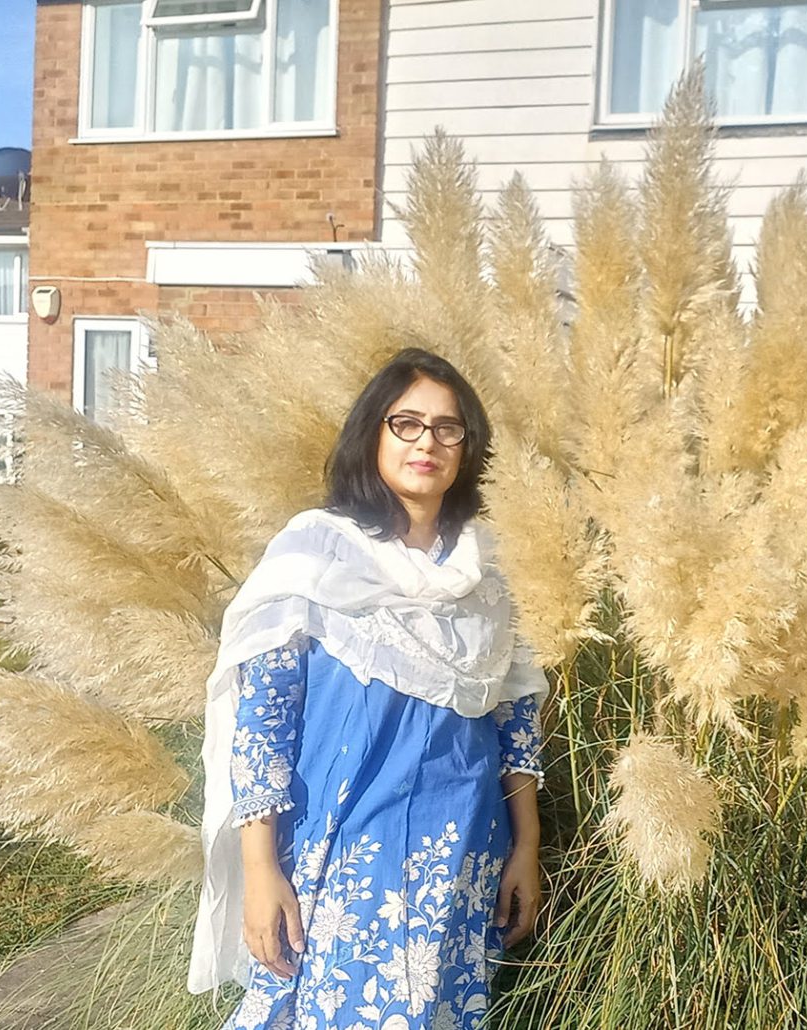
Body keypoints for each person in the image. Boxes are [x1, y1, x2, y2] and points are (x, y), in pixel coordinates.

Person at [188, 347, 549, 1030]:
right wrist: (261, 868)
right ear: (372, 433)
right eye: (406, 423)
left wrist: (525, 847)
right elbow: (262, 728)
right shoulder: (315, 556)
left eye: (449, 427)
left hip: (463, 853)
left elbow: (516, 718)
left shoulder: (494, 568)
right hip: (342, 858)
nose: (427, 442)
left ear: (468, 447)